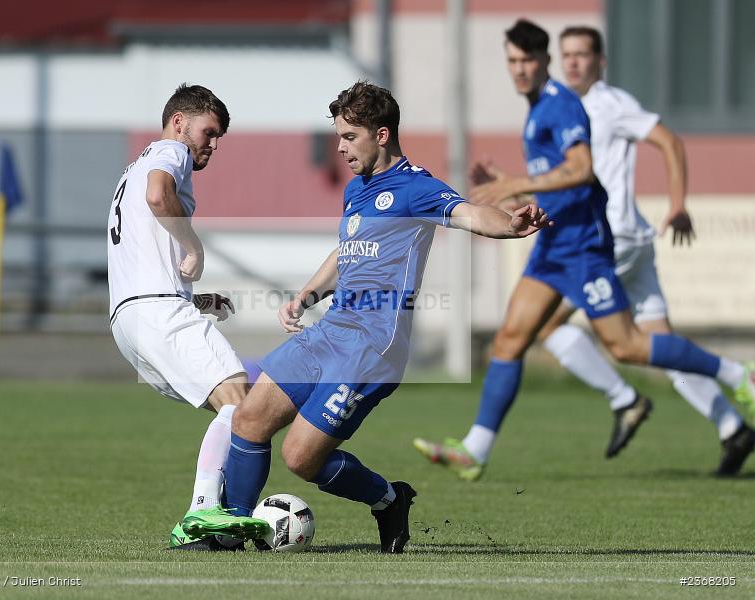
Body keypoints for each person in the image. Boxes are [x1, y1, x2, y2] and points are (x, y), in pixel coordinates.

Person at [179, 81, 551, 553]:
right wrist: (307, 294)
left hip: (372, 348)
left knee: (301, 458)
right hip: (330, 331)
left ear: (381, 135)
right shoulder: (357, 190)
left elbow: (471, 215)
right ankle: (231, 529)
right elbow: (348, 251)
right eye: (338, 136)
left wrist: (511, 225)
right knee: (249, 418)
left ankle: (390, 499)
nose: (340, 147)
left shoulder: (416, 187)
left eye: (349, 137)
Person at [412, 20, 754, 481]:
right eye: (512, 61)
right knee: (510, 338)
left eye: (527, 60)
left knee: (626, 345)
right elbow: (559, 182)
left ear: (544, 61)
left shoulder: (563, 104)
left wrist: (515, 183)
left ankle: (735, 375)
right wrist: (515, 191)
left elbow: (581, 169)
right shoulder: (538, 108)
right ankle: (475, 449)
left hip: (585, 245)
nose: (519, 69)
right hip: (554, 243)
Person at [535, 26, 753, 473]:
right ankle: (733, 427)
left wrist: (678, 204)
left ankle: (626, 398)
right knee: (662, 345)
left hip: (609, 238)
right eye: (567, 54)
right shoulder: (561, 107)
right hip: (623, 238)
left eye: (582, 54)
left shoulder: (611, 104)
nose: (573, 62)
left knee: (542, 323)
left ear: (600, 61)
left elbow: (669, 141)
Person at [106, 83, 268, 550]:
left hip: (130, 319)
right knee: (240, 401)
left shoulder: (133, 168)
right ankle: (202, 512)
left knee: (234, 407)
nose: (212, 144)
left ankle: (214, 520)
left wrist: (195, 300)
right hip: (157, 312)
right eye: (208, 132)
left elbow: (144, 255)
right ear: (179, 123)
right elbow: (159, 197)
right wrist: (194, 246)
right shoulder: (170, 151)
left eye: (218, 137)